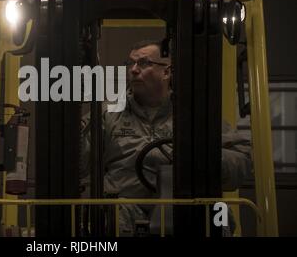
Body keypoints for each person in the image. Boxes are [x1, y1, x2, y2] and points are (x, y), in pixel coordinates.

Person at [79, 39, 252, 236]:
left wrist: (206, 159)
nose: (133, 70)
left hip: (183, 205)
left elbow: (242, 159)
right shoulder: (108, 114)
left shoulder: (193, 115)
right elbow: (78, 164)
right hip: (125, 209)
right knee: (110, 215)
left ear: (167, 72)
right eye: (130, 63)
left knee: (219, 212)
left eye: (144, 63)